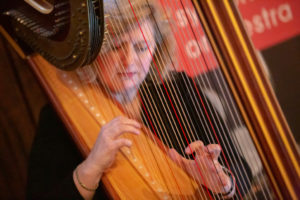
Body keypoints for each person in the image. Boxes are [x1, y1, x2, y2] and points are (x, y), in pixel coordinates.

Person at [26, 0, 252, 199]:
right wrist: (91, 168)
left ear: (156, 49)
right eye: (116, 48)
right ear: (93, 52)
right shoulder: (60, 115)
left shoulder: (179, 87)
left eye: (141, 47)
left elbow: (242, 170)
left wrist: (222, 183)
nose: (129, 61)